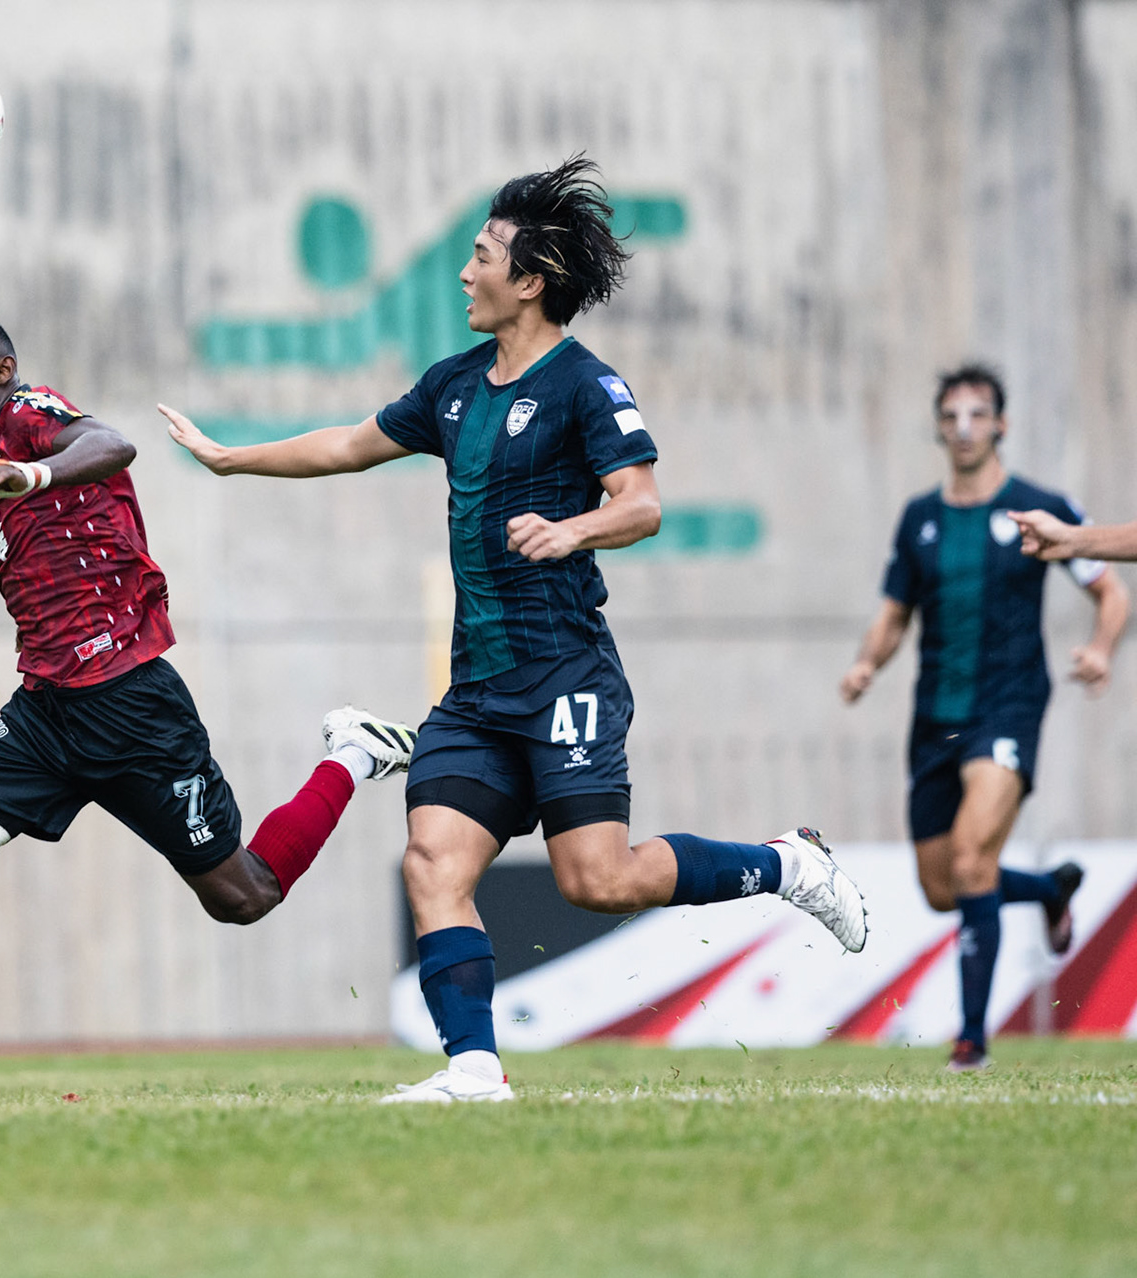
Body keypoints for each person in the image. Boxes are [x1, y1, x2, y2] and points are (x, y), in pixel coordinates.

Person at [161, 157, 867, 1105]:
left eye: (482, 256)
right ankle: (474, 1068)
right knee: (433, 861)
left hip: (565, 674)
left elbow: (643, 503)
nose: (464, 272)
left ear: (530, 280)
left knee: (597, 881)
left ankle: (789, 865)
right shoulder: (454, 384)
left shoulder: (586, 385)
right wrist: (230, 459)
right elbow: (350, 444)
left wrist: (573, 529)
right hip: (478, 692)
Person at [0, 314, 417, 1105]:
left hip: (133, 708)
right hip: (46, 713)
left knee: (244, 896)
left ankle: (353, 752)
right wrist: (9, 478)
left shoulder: (32, 416)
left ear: (2, 371)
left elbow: (111, 444)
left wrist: (27, 476)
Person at [841, 364, 1126, 1071]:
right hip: (935, 716)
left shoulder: (1039, 507)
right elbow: (894, 614)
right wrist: (867, 663)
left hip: (1009, 706)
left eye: (978, 414)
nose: (964, 427)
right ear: (938, 427)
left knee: (973, 858)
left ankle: (971, 1040)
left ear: (1002, 424)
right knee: (944, 887)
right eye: (952, 415)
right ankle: (1047, 888)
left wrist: (1100, 647)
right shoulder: (920, 517)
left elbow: (1110, 589)